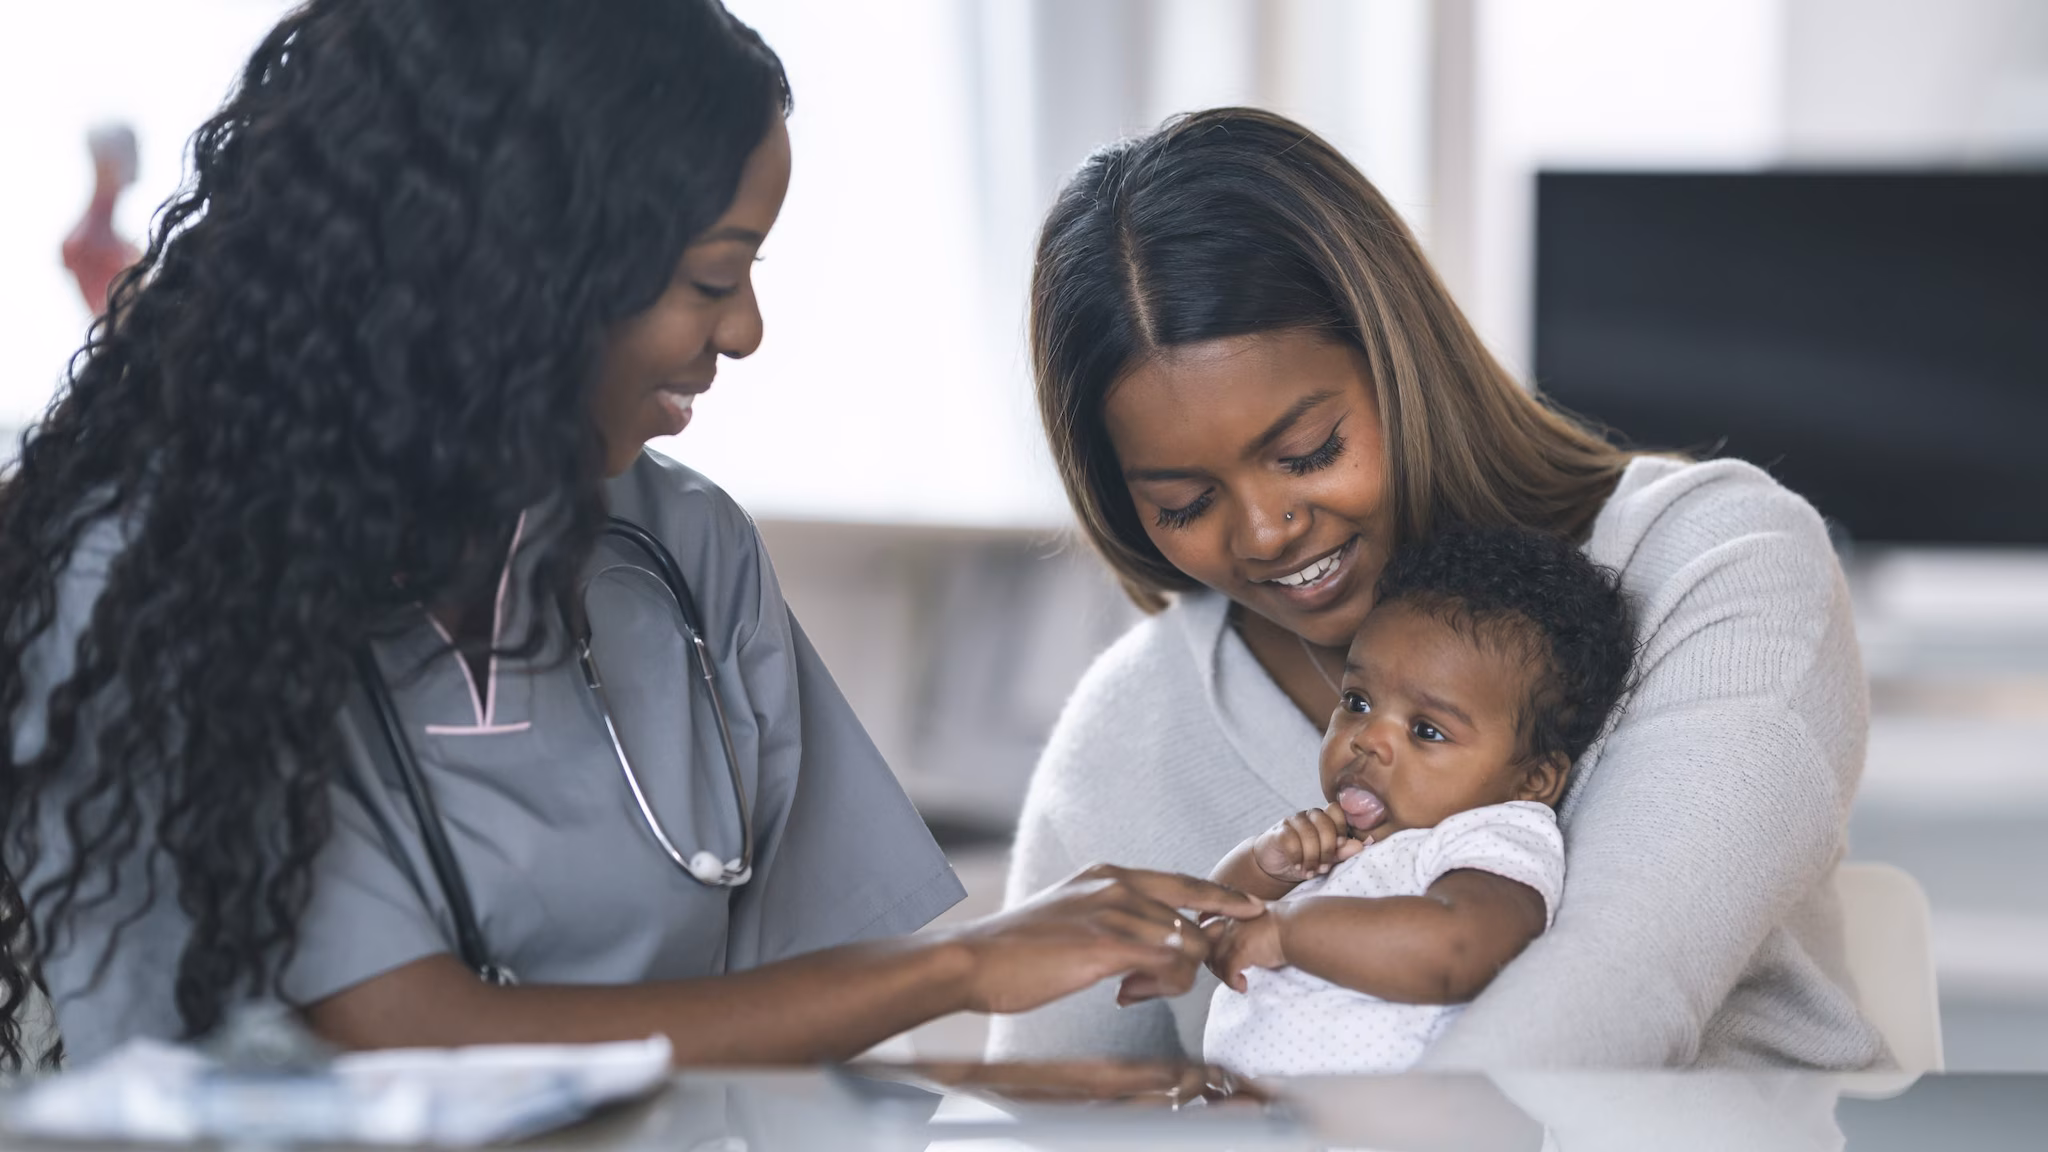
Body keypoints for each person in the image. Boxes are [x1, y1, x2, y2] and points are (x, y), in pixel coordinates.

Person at [0, 0, 1263, 1072]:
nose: (748, 329)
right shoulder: (153, 578)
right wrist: (965, 969)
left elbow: (812, 1005)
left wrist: (1045, 1081)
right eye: (712, 279)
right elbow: (403, 1036)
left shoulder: (685, 550)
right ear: (514, 266)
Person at [990, 107, 1890, 1069]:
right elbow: (1036, 1106)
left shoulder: (1716, 563)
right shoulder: (1132, 724)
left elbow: (1618, 993)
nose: (1263, 532)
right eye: (1184, 502)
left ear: (1400, 361)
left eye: (1308, 453)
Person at [1200, 525, 1636, 1076]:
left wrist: (1289, 932)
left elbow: (1456, 951)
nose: (1367, 739)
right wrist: (1264, 864)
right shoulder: (1348, 842)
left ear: (1533, 781)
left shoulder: (1491, 837)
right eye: (1357, 700)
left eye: (1427, 731)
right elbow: (1213, 917)